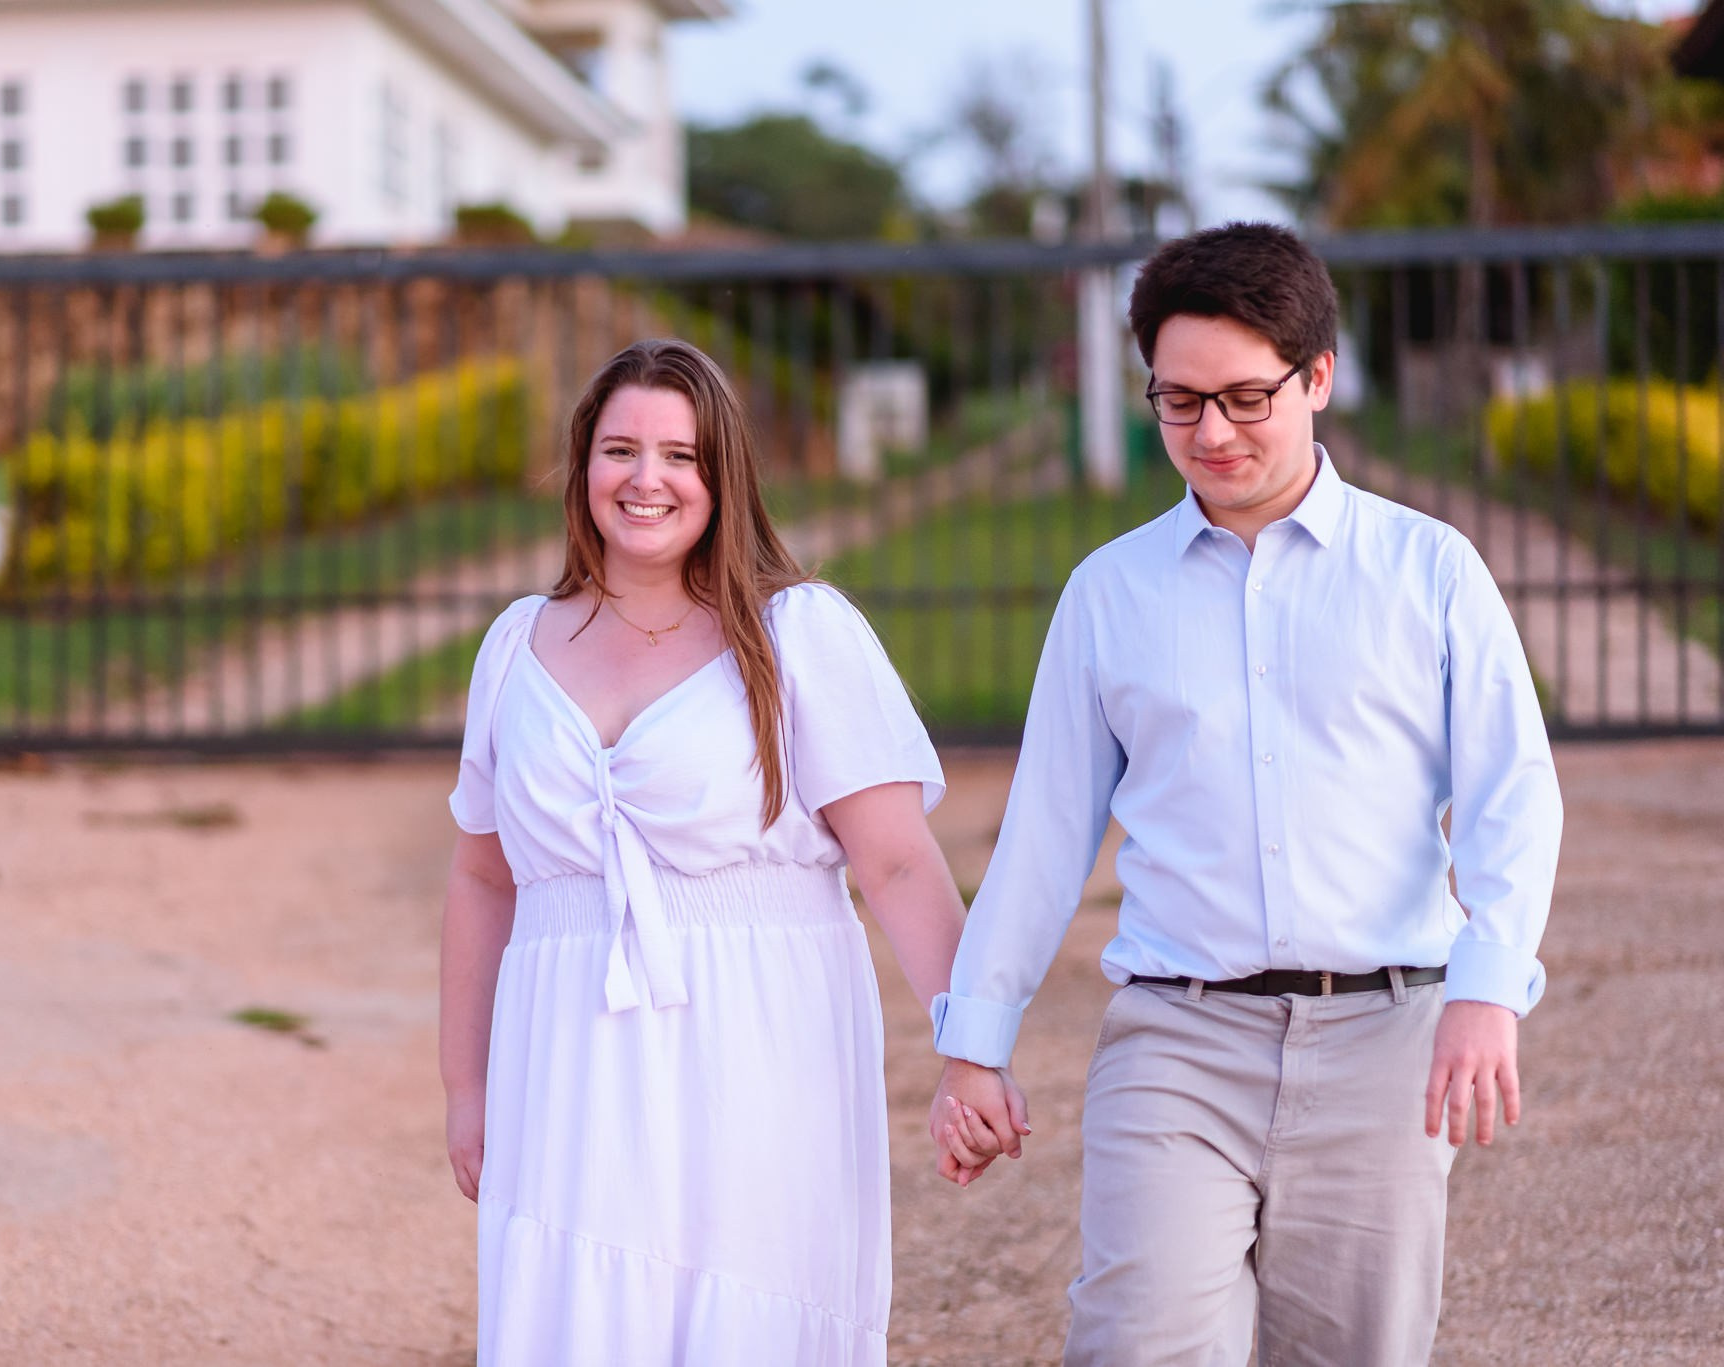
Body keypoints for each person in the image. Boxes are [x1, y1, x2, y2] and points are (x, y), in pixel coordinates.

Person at [928, 222, 1564, 1365]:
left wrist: (1488, 983)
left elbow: (1511, 791)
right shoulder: (1107, 593)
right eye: (1177, 402)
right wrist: (975, 1039)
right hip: (1176, 1037)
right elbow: (1043, 834)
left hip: (1383, 1034)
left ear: (1317, 377)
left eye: (1242, 397)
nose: (1209, 432)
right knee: (1135, 1343)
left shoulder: (1427, 571)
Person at [440, 337, 982, 1365]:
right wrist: (464, 1086)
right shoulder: (514, 642)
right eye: (619, 449)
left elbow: (899, 864)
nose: (646, 479)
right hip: (563, 1060)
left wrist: (973, 1042)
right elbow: (478, 875)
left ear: (722, 474)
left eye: (680, 456)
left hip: (756, 1047)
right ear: (580, 464)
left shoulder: (797, 632)